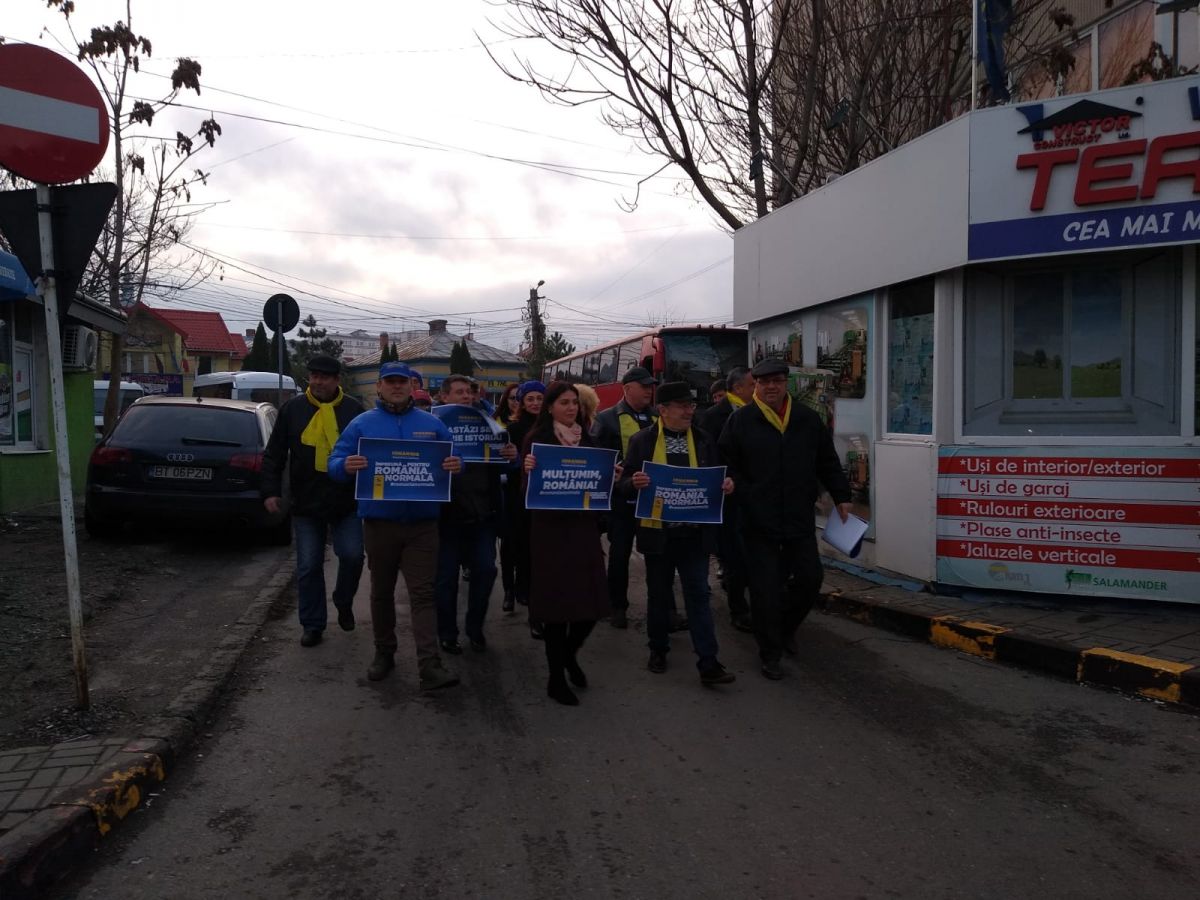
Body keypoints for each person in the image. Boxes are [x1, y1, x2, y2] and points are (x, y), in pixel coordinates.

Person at [328, 361, 464, 691]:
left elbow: (456, 456)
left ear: (412, 385)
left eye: (402, 381)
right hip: (380, 523)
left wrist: (455, 463)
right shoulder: (362, 424)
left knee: (423, 593)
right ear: (379, 386)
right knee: (381, 591)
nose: (397, 386)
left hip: (422, 525)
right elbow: (334, 462)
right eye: (390, 381)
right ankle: (384, 652)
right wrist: (345, 465)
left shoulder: (431, 424)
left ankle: (429, 664)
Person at [717, 358, 852, 680]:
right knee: (764, 590)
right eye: (764, 382)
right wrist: (742, 490)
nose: (771, 387)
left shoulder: (807, 419)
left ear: (786, 383)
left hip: (797, 517)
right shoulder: (741, 421)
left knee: (810, 579)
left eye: (777, 381)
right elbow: (725, 461)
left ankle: (786, 627)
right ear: (756, 385)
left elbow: (827, 461)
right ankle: (770, 653)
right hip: (757, 520)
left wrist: (842, 495)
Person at [618, 382, 736, 686]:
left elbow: (721, 474)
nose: (689, 411)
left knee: (698, 595)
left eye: (691, 406)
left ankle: (708, 661)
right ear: (663, 409)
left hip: (694, 535)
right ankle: (658, 649)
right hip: (658, 534)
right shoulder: (643, 441)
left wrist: (727, 484)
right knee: (659, 595)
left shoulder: (704, 439)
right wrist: (634, 483)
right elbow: (624, 482)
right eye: (682, 406)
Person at [262, 354, 365, 648]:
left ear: (337, 380)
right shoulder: (292, 409)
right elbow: (274, 454)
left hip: (346, 501)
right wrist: (270, 491)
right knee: (308, 566)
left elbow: (370, 452)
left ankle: (343, 600)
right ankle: (312, 624)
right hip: (306, 502)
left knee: (353, 556)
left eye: (324, 377)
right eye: (314, 376)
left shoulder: (354, 411)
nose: (318, 382)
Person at [521, 381, 612, 705]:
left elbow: (598, 485)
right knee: (558, 610)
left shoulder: (587, 439)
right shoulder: (538, 440)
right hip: (551, 534)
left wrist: (610, 476)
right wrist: (528, 471)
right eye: (564, 402)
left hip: (583, 530)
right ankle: (555, 678)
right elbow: (525, 493)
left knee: (590, 607)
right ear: (550, 407)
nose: (571, 408)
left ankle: (569, 655)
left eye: (574, 402)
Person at [433, 375, 517, 654]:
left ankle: (475, 628)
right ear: (444, 397)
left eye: (469, 392)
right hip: (446, 517)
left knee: (486, 571)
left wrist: (511, 456)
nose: (467, 397)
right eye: (459, 392)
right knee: (445, 579)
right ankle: (447, 633)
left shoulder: (488, 423)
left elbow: (506, 465)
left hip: (482, 515)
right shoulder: (432, 425)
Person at [589, 366, 658, 629]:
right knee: (620, 554)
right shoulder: (606, 418)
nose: (650, 391)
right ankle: (616, 606)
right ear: (628, 388)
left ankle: (665, 609)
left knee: (657, 554)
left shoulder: (657, 416)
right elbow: (596, 456)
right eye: (644, 386)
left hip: (652, 498)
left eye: (651, 386)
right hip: (620, 500)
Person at [698, 366, 755, 633]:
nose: (757, 389)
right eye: (753, 385)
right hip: (728, 496)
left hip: (753, 495)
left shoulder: (758, 413)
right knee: (735, 555)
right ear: (739, 388)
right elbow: (708, 455)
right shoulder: (714, 416)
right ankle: (738, 609)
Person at [502, 380, 544, 616]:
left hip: (539, 495)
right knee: (512, 542)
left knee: (531, 543)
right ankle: (509, 589)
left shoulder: (550, 428)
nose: (535, 403)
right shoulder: (514, 429)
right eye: (530, 399)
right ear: (522, 403)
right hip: (516, 494)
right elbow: (505, 463)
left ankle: (524, 587)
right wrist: (514, 461)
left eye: (540, 398)